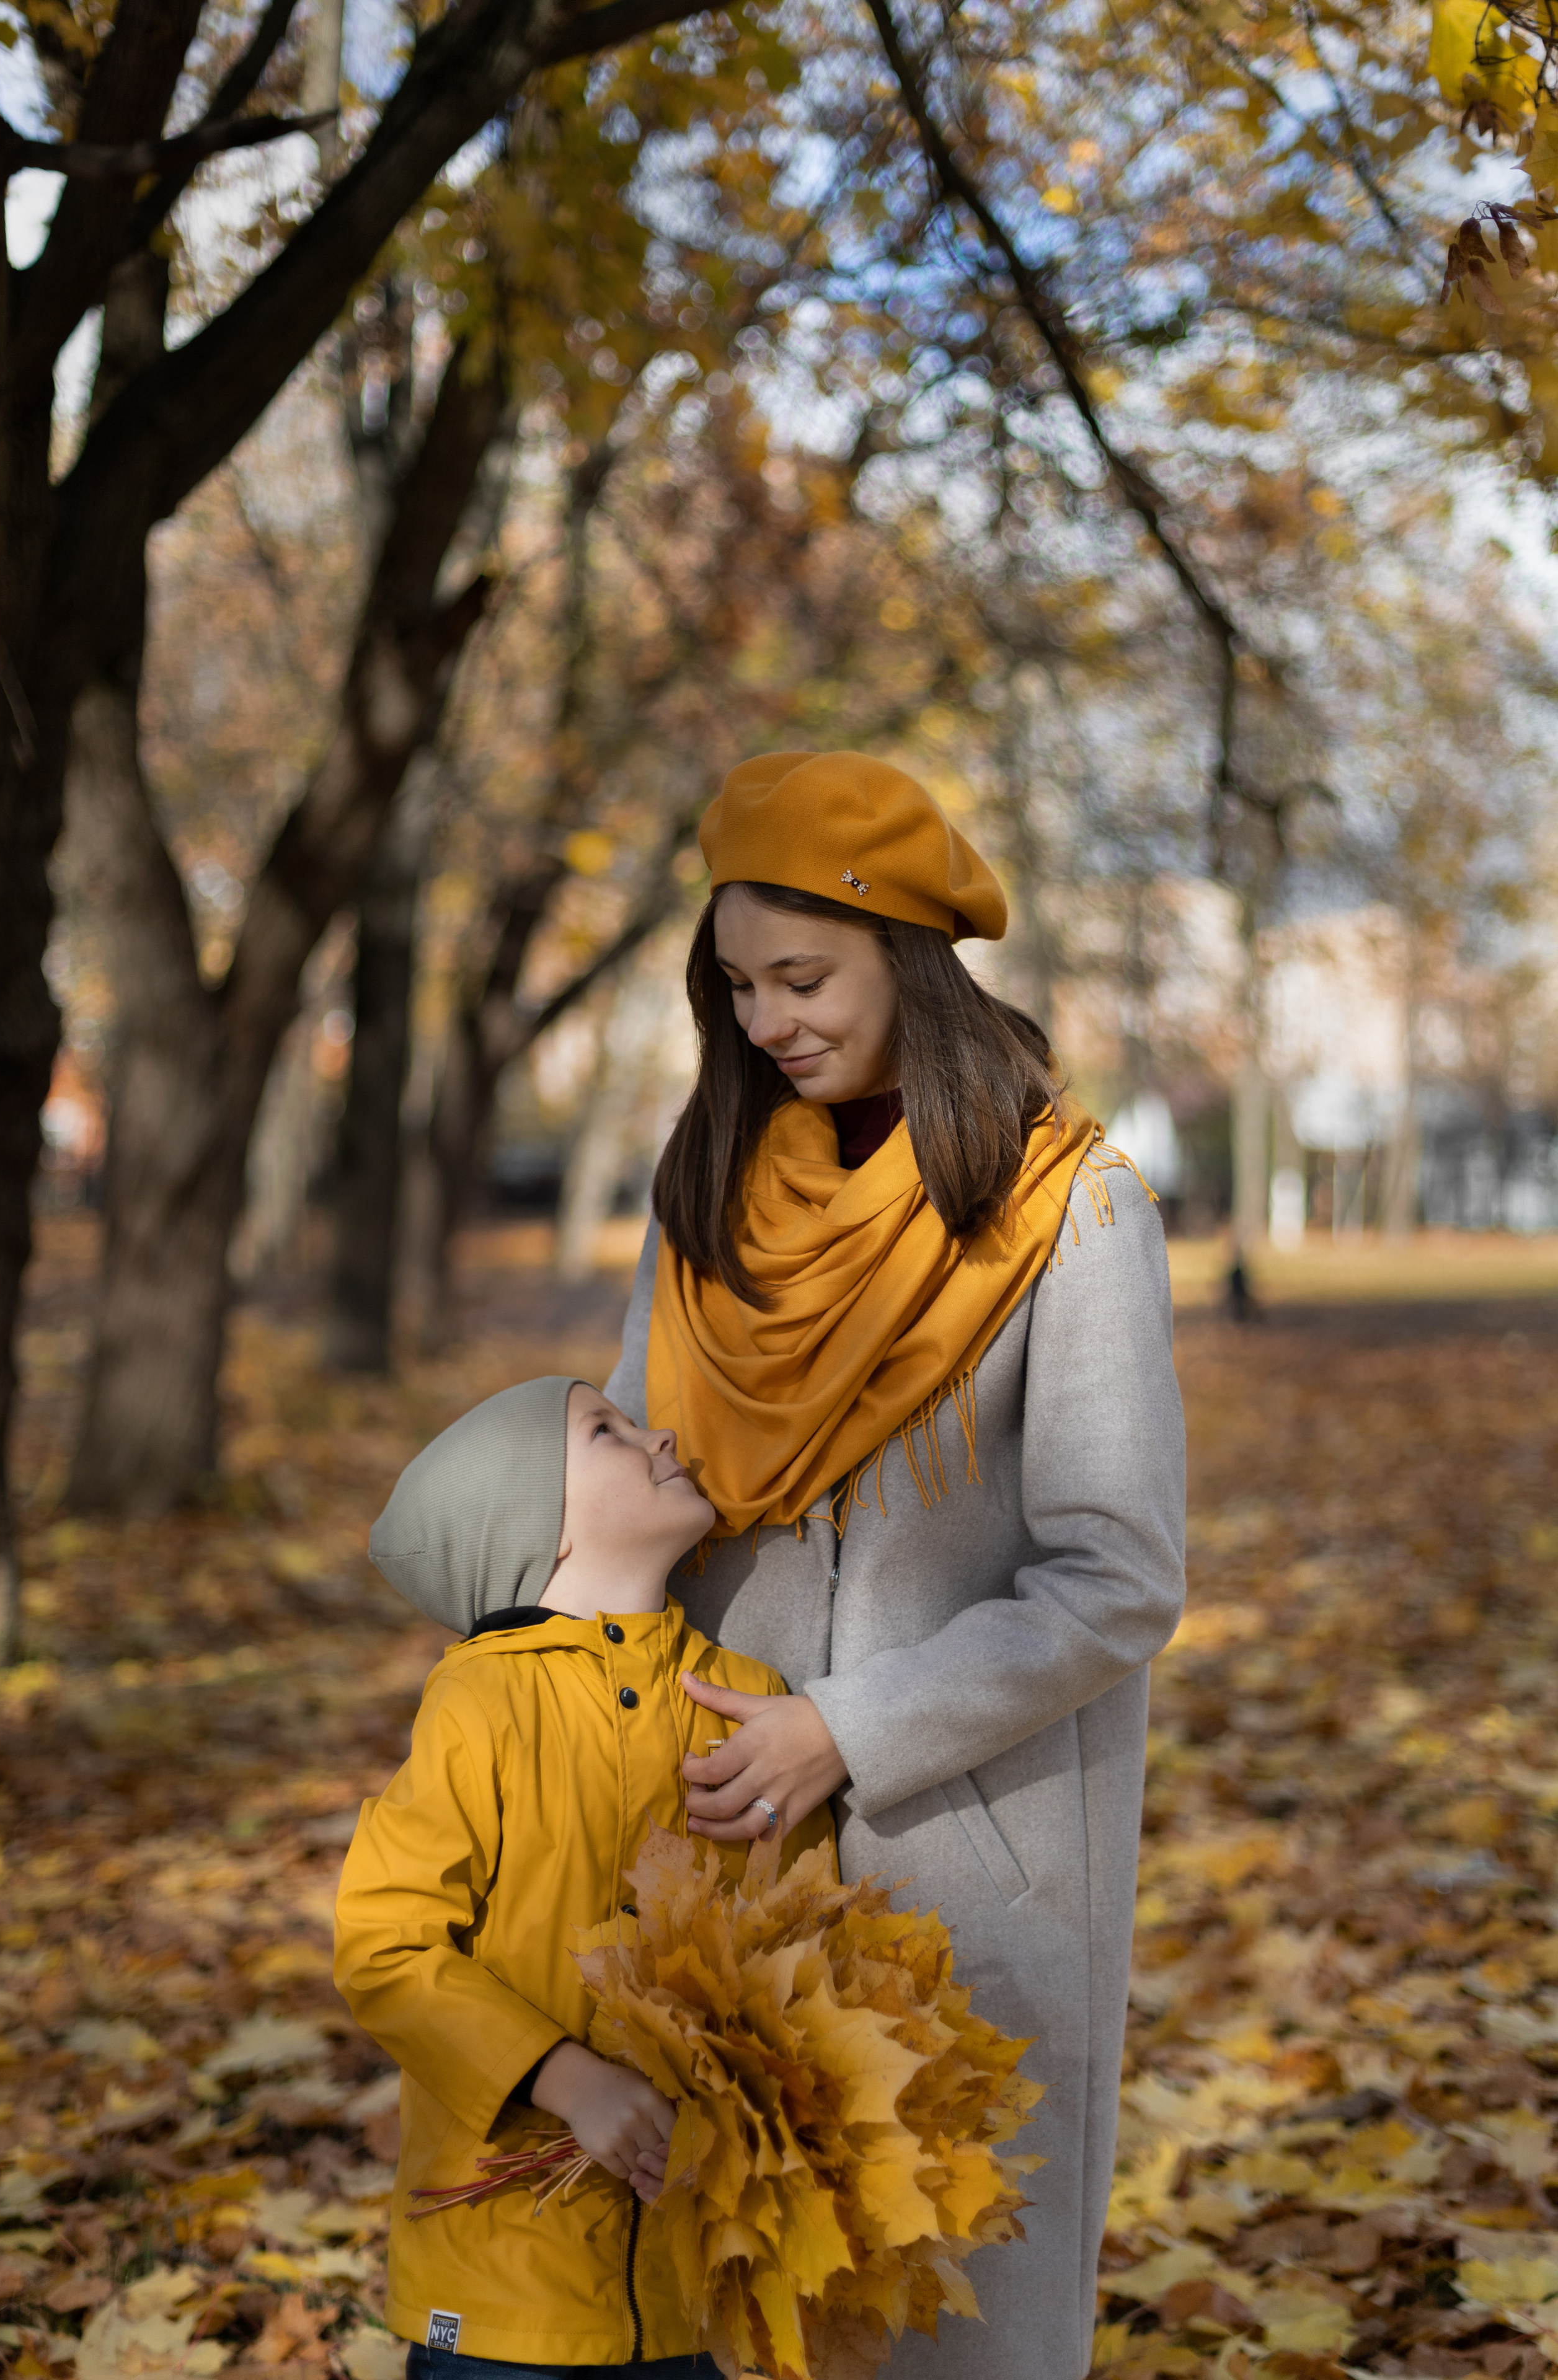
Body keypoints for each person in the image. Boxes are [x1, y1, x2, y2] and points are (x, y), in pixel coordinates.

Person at [603, 750, 1188, 2380]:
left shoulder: (1069, 1212)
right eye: (737, 986)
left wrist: (848, 1730)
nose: (770, 1020)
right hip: (718, 1857)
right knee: (730, 2321)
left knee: (955, 2329)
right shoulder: (707, 1200)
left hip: (967, 1873)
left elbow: (1117, 1580)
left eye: (805, 977)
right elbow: (628, 1508)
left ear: (909, 962)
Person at [334, 1374, 834, 2379]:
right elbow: (385, 1944)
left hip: (698, 2264)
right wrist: (566, 2079)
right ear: (542, 1532)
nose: (656, 1436)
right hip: (501, 2278)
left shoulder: (748, 1701)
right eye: (605, 1431)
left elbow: (805, 1937)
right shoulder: (482, 1704)